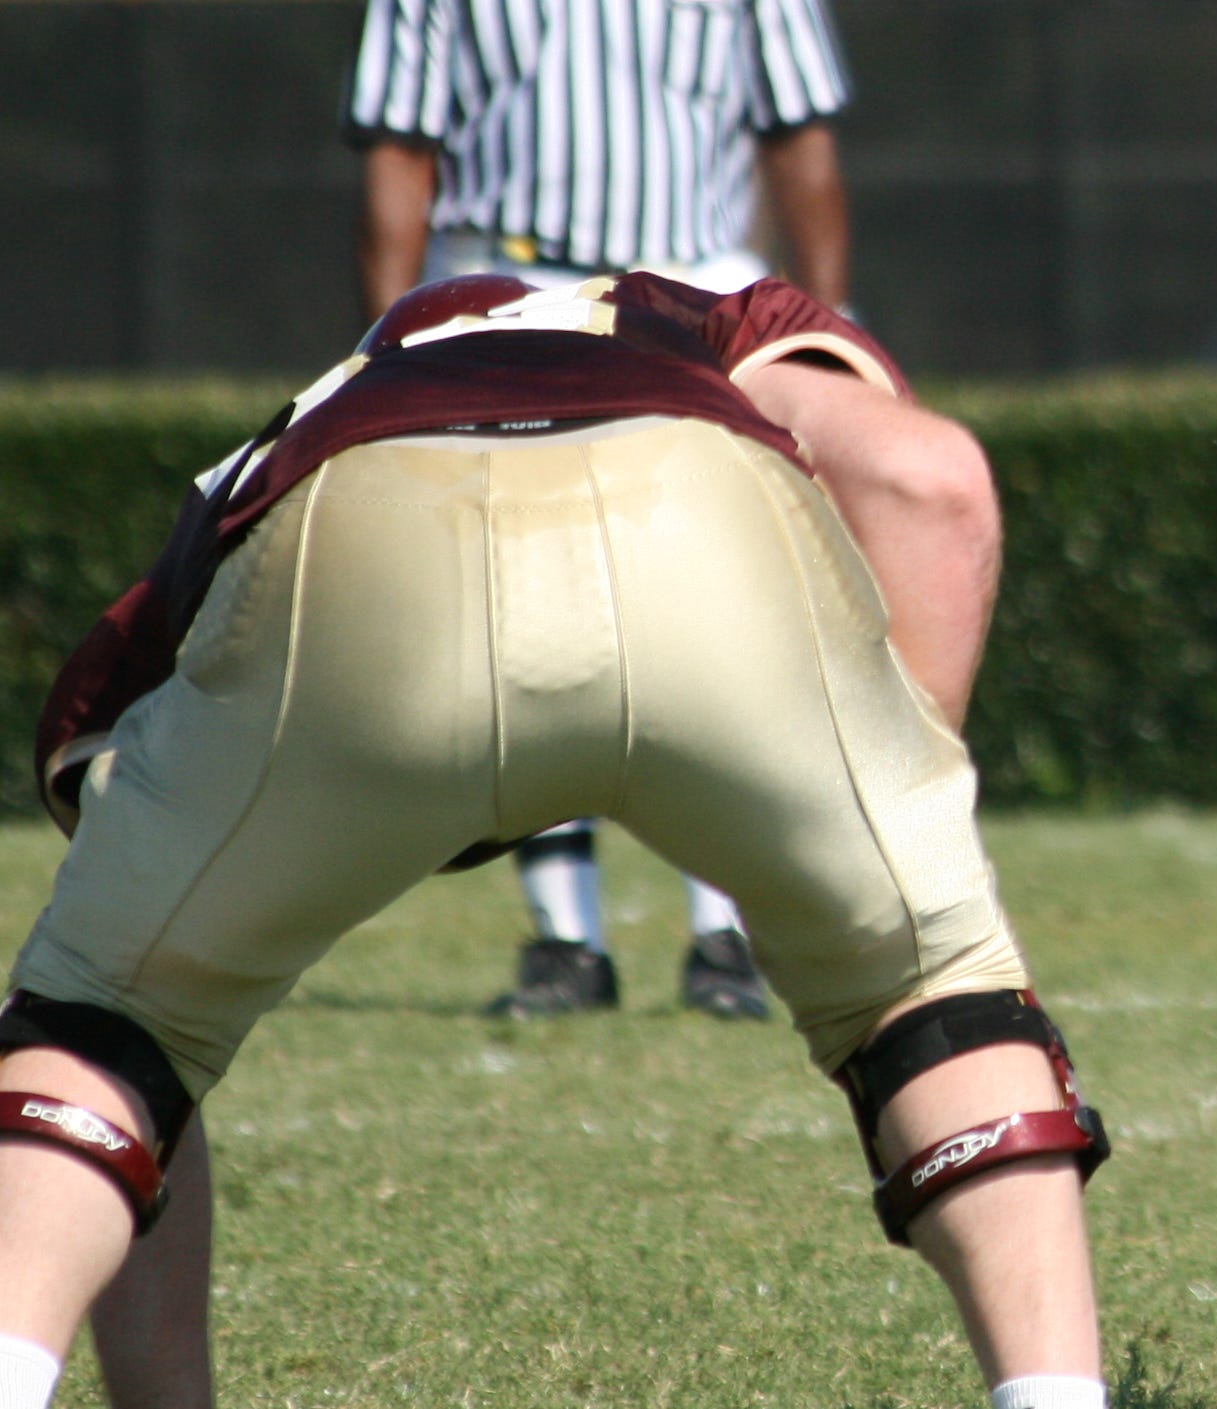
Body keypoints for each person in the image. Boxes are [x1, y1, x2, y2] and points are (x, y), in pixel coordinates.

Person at [0, 270, 1111, 1409]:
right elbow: (927, 480)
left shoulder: (301, 422)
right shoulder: (701, 320)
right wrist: (890, 836)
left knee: (112, 1024)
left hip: (363, 522)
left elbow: (98, 778)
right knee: (929, 994)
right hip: (692, 512)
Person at [344, 0, 861, 1023]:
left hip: (689, 288)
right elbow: (400, 150)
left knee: (720, 602)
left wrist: (826, 305)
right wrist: (382, 335)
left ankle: (725, 928)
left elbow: (797, 132)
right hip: (505, 285)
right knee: (521, 619)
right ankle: (566, 934)